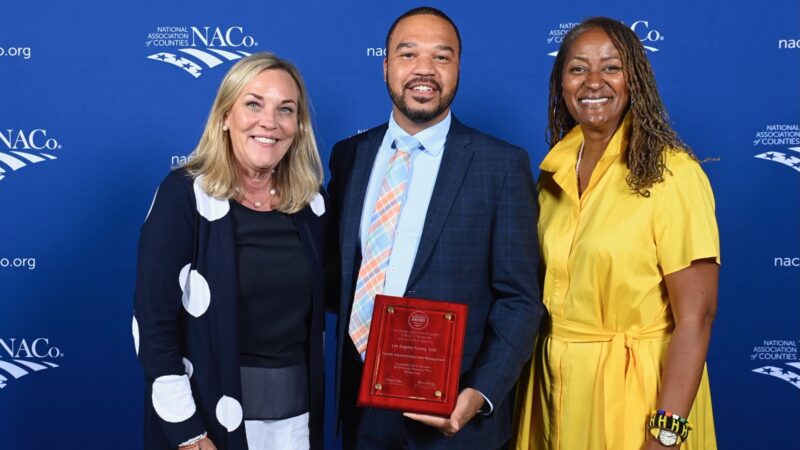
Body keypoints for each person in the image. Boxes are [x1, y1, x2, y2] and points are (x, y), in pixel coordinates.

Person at [326, 7, 544, 450]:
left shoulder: (500, 165)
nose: (424, 69)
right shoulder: (349, 156)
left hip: (455, 421)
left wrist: (480, 394)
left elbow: (520, 299)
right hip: (361, 411)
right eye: (408, 54)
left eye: (441, 57)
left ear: (458, 68)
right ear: (386, 65)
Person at [513, 17, 719, 450]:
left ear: (635, 79)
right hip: (552, 388)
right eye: (577, 69)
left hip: (639, 394)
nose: (593, 82)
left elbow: (696, 320)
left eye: (611, 67)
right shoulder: (551, 175)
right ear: (561, 82)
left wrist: (665, 434)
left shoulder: (674, 174)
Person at [133, 53, 327, 450]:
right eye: (253, 104)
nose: (269, 122)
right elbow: (152, 325)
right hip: (210, 423)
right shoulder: (184, 196)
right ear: (225, 115)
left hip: (295, 424)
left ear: (298, 126)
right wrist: (188, 433)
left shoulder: (312, 205)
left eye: (285, 110)